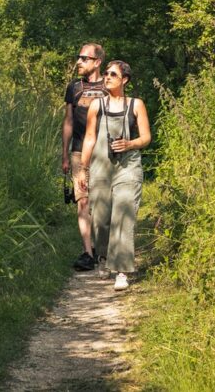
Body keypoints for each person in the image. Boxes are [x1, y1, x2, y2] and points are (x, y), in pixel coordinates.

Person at [80, 60, 151, 290]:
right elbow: (90, 138)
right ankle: (102, 257)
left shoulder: (136, 105)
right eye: (106, 74)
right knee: (100, 218)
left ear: (125, 80)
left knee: (123, 212)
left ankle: (121, 270)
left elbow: (146, 138)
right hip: (101, 165)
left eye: (112, 74)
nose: (107, 77)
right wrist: (83, 169)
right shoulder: (96, 106)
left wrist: (130, 143)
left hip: (128, 166)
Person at [62, 43, 107, 271]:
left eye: (84, 58)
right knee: (83, 201)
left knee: (102, 203)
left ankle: (103, 249)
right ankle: (88, 253)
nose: (78, 62)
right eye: (78, 57)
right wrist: (65, 155)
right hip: (79, 151)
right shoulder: (74, 88)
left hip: (105, 153)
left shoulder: (109, 85)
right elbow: (68, 122)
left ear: (97, 62)